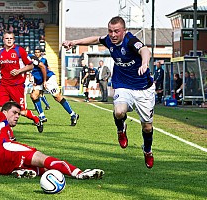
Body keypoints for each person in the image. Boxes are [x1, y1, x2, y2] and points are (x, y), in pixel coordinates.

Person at [62, 16, 155, 168]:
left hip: (143, 88)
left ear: (124, 31)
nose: (113, 35)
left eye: (116, 31)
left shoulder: (130, 41)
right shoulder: (109, 40)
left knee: (147, 127)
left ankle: (147, 150)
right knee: (119, 112)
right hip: (123, 85)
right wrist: (74, 42)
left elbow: (145, 50)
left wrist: (144, 63)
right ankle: (121, 129)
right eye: (110, 31)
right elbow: (95, 39)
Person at [0, 86, 104, 179]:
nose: (17, 116)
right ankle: (79, 173)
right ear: (4, 112)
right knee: (42, 158)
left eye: (19, 114)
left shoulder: (4, 130)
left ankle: (22, 171)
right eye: (14, 113)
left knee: (41, 168)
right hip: (2, 148)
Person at [0, 31, 43, 133]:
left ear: (14, 40)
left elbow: (31, 65)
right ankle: (6, 133)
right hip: (4, 85)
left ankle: (37, 120)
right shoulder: (0, 53)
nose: (9, 40)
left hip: (17, 86)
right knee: (3, 110)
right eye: (7, 38)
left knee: (22, 111)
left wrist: (19, 71)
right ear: (3, 40)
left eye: (11, 38)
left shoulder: (19, 51)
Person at [29, 53, 79, 126]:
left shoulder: (30, 58)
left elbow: (42, 67)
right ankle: (42, 116)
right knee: (34, 96)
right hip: (39, 80)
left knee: (57, 97)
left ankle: (73, 114)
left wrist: (45, 81)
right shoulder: (18, 61)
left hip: (48, 79)